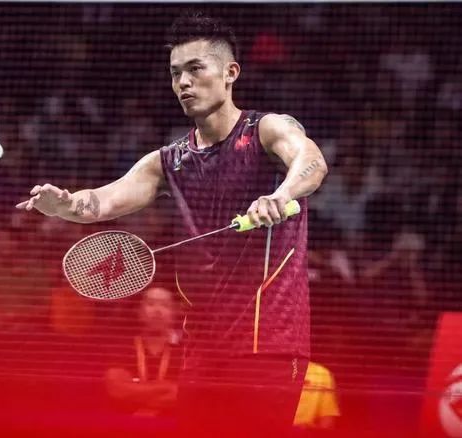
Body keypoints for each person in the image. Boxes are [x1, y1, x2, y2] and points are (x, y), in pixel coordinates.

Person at [16, 11, 328, 435]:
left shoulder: (265, 130)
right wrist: (65, 205)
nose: (184, 82)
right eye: (176, 72)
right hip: (202, 348)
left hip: (267, 341)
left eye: (196, 69)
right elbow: (102, 201)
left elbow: (311, 161)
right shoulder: (169, 161)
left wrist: (281, 194)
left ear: (230, 72)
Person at [105, 286, 182, 418]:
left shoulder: (184, 350)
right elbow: (117, 389)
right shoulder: (122, 347)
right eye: (151, 304)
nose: (157, 311)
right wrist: (165, 388)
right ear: (139, 312)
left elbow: (183, 395)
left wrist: (135, 392)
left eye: (165, 305)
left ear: (174, 314)